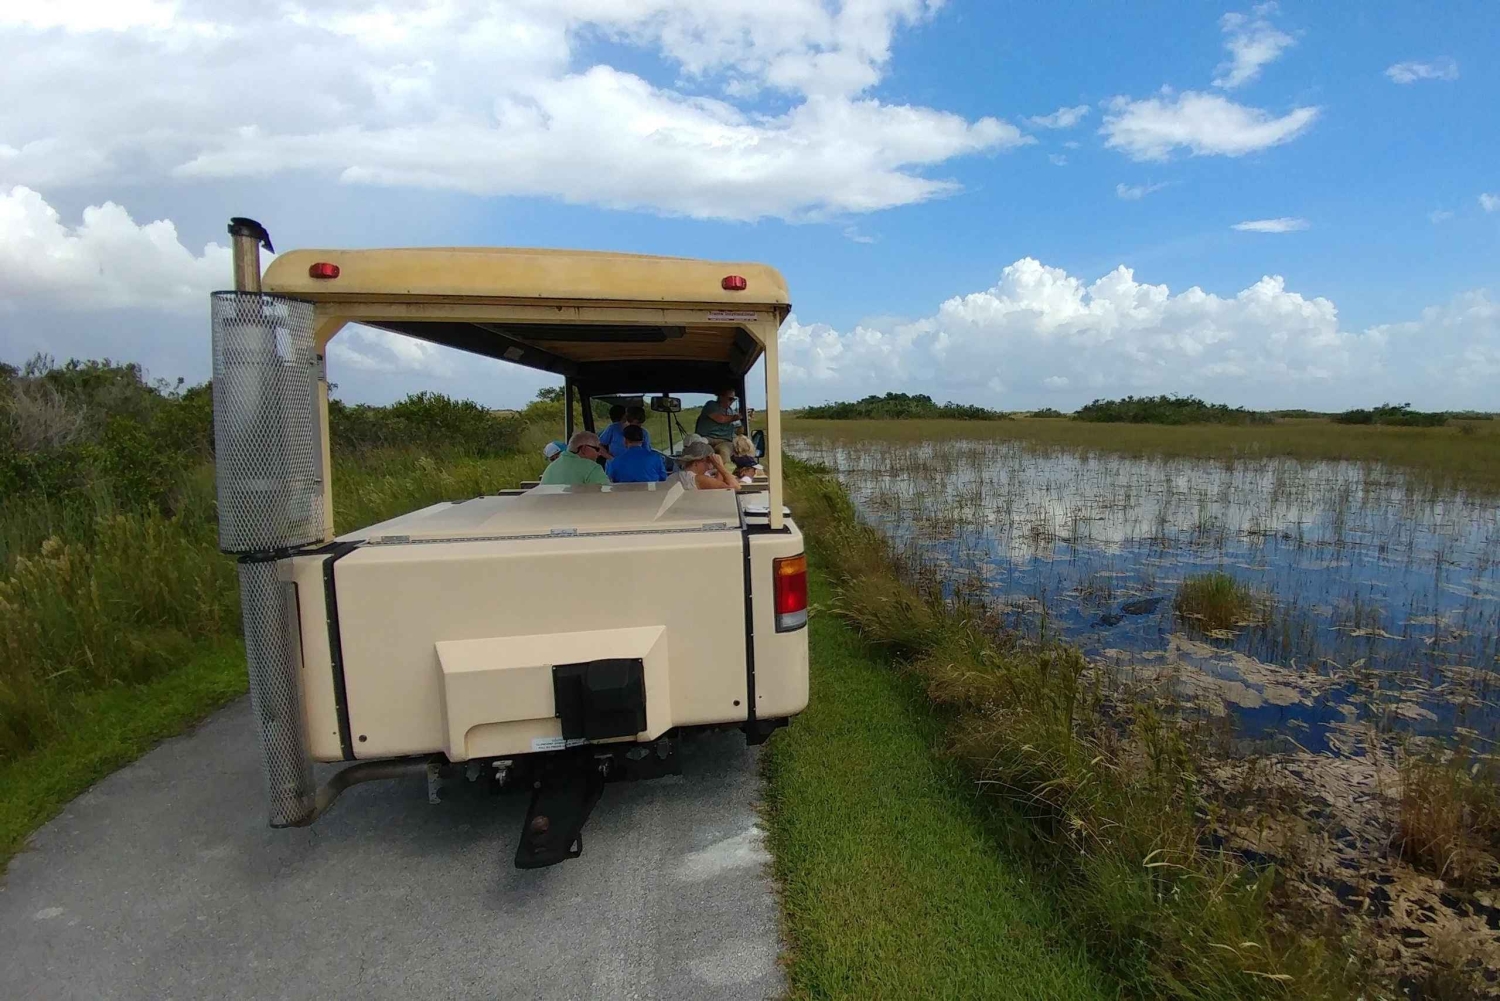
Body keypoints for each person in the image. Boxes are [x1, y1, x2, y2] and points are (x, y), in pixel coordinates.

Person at [695, 387, 748, 464]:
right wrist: (737, 417)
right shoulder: (711, 405)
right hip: (707, 438)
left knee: (723, 451)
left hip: (724, 441)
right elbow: (721, 419)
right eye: (730, 399)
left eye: (734, 399)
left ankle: (724, 473)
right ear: (721, 397)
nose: (732, 401)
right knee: (699, 449)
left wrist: (745, 420)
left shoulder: (731, 412)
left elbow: (739, 431)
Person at [539, 431, 610, 486]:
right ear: (584, 449)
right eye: (597, 449)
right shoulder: (592, 468)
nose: (599, 453)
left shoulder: (549, 469)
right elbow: (607, 497)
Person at [668, 440, 738, 491]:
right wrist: (720, 466)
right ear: (696, 462)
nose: (710, 466)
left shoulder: (676, 476)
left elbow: (714, 484)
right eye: (708, 461)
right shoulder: (696, 479)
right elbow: (734, 488)